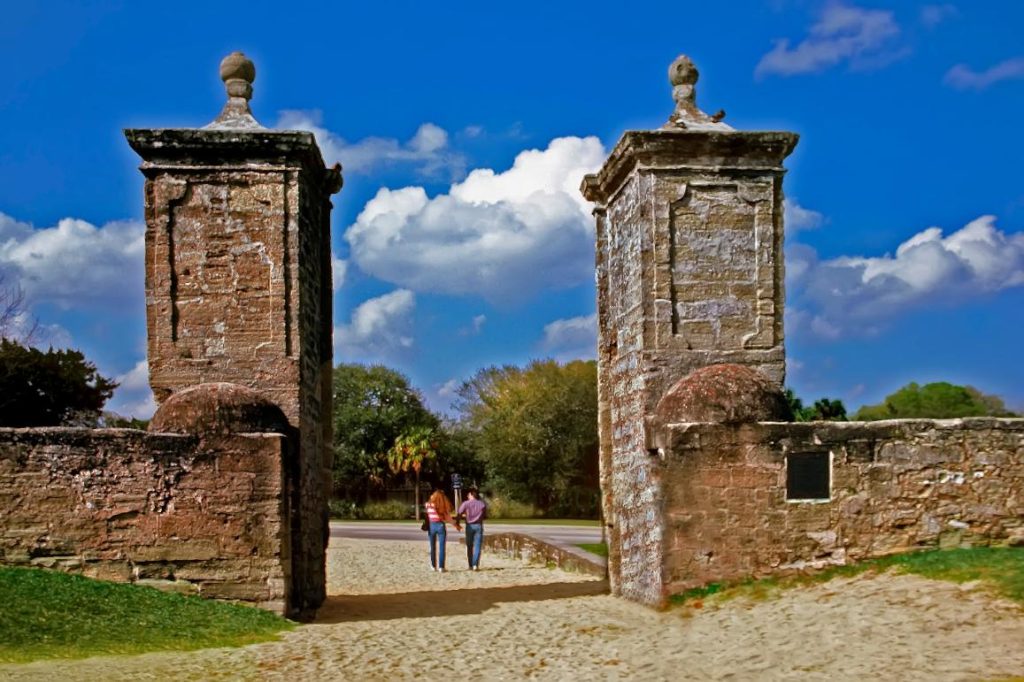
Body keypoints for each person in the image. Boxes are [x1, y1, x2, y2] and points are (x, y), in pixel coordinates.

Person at [424, 489, 460, 572]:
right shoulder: (442, 507)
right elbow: (448, 518)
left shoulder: (428, 505)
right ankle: (441, 567)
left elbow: (427, 515)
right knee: (442, 547)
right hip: (440, 525)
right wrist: (456, 525)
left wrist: (432, 498)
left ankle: (433, 566)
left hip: (432, 525)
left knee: (432, 547)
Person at [457, 487, 487, 570]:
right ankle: (475, 564)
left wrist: (457, 522)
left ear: (471, 494)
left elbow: (459, 513)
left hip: (469, 526)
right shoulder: (482, 504)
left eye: (468, 494)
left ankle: (470, 564)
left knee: (469, 546)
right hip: (478, 525)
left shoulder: (466, 503)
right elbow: (485, 515)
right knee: (477, 546)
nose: (467, 496)